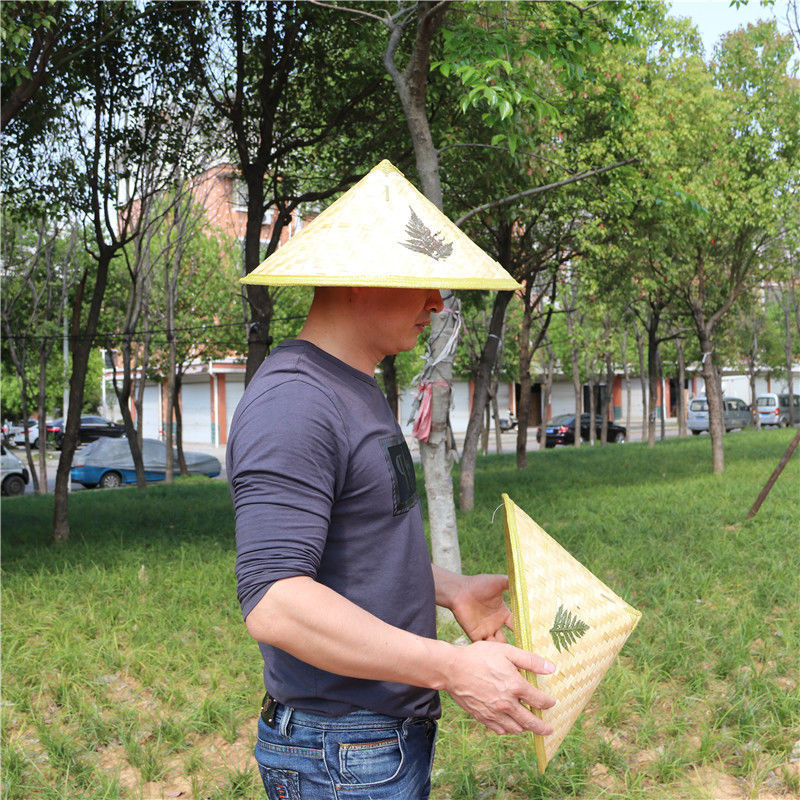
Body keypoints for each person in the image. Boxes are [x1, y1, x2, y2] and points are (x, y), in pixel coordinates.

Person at [227, 161, 556, 800]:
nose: (437, 304)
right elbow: (275, 602)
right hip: (339, 750)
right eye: (421, 283)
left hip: (375, 742)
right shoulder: (295, 403)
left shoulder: (357, 386)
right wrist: (453, 667)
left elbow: (352, 546)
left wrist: (447, 588)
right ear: (355, 280)